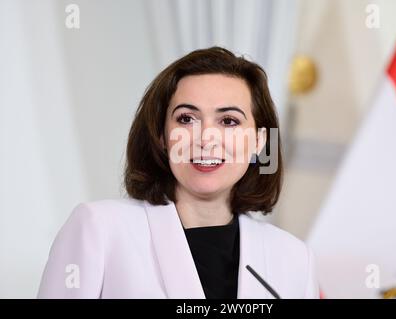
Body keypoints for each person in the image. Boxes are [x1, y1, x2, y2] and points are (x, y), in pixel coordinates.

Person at [37, 47, 319, 299]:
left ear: (259, 142)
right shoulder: (100, 228)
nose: (206, 138)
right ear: (161, 135)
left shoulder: (294, 259)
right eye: (187, 119)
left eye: (229, 121)